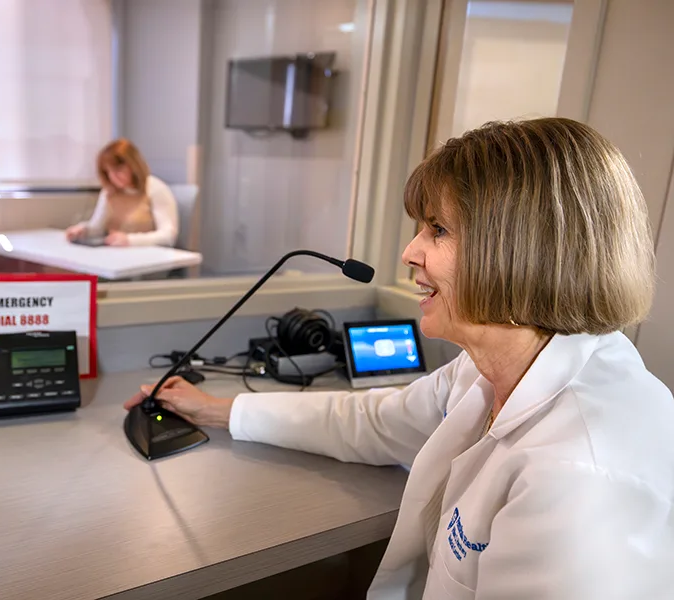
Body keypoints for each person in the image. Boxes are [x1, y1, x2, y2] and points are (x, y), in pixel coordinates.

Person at [124, 118, 674, 598]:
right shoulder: (488, 369)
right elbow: (372, 421)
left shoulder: (579, 476)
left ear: (524, 252)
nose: (409, 252)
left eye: (437, 229)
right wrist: (216, 410)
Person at [66, 139, 179, 247]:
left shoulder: (155, 188)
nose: (113, 176)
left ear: (134, 166)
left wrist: (130, 240)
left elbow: (168, 236)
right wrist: (83, 230)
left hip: (146, 258)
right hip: (115, 255)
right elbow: (97, 228)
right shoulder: (109, 192)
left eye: (118, 169)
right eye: (108, 171)